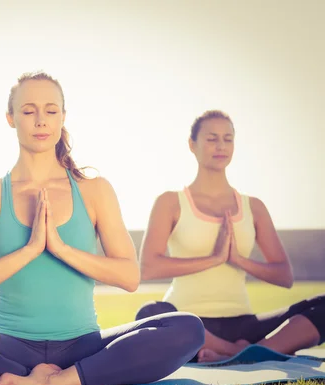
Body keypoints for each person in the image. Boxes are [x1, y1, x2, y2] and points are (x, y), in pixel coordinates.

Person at [0, 72, 204, 385]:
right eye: (29, 111)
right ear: (11, 118)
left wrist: (60, 248)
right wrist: (30, 249)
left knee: (186, 328)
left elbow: (129, 277)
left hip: (83, 346)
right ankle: (65, 376)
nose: (41, 121)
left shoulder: (94, 190)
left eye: (51, 111)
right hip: (10, 346)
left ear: (63, 117)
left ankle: (60, 379)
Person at [135, 110, 325, 362]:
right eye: (212, 138)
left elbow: (284, 276)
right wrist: (214, 259)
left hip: (245, 324)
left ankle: (231, 353)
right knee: (150, 313)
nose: (221, 146)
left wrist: (238, 259)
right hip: (190, 322)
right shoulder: (170, 202)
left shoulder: (253, 206)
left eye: (228, 138)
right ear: (192, 145)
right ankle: (248, 352)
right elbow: (148, 267)